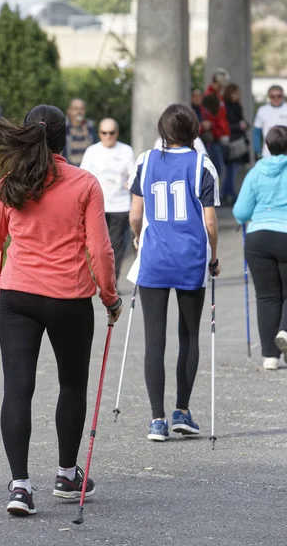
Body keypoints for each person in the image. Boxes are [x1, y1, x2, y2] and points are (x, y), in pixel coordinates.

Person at [0, 104, 123, 516]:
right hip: (69, 299)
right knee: (72, 384)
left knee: (18, 388)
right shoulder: (85, 184)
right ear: (64, 138)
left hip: (17, 298)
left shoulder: (9, 183)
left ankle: (20, 487)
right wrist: (109, 297)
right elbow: (100, 248)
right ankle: (66, 475)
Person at [128, 104, 220, 442]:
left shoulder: (145, 160)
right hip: (190, 259)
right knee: (189, 336)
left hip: (154, 259)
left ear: (162, 130)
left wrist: (138, 238)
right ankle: (182, 410)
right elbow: (210, 221)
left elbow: (135, 214)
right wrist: (214, 256)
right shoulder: (202, 165)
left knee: (155, 339)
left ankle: (157, 419)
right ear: (194, 130)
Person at [233, 125, 287, 371]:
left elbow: (241, 212)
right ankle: (285, 330)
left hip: (258, 238)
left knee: (266, 297)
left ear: (267, 145)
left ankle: (270, 357)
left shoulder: (256, 172)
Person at [80, 118, 135, 283]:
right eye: (104, 133)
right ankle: (96, 275)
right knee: (96, 246)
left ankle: (111, 281)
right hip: (97, 206)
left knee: (115, 247)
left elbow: (133, 176)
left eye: (111, 133)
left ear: (117, 133)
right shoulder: (92, 151)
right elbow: (83, 177)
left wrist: (129, 183)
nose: (108, 136)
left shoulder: (126, 151)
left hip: (120, 205)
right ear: (99, 134)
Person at [222, 83, 250, 206]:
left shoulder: (237, 106)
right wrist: (240, 126)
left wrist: (244, 125)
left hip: (238, 140)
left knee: (233, 170)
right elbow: (227, 125)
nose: (238, 96)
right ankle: (229, 194)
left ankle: (227, 193)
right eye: (235, 93)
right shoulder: (226, 107)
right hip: (232, 141)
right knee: (231, 170)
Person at [204, 68, 231, 177]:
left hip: (220, 137)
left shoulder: (219, 96)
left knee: (220, 167)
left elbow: (222, 118)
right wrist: (219, 134)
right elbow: (211, 119)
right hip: (214, 138)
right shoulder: (209, 96)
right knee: (216, 167)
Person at [254, 86, 287, 158]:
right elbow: (257, 133)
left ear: (283, 96)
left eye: (279, 96)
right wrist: (257, 150)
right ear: (269, 96)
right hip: (267, 153)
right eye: (273, 96)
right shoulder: (262, 110)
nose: (276, 98)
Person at [65, 99, 98, 166]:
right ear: (69, 111)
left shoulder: (90, 128)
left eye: (82, 109)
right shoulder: (63, 129)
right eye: (75, 109)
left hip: (87, 171)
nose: (79, 112)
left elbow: (97, 150)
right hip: (69, 170)